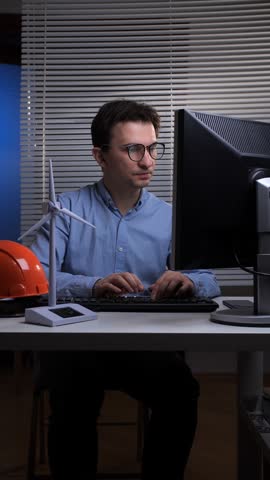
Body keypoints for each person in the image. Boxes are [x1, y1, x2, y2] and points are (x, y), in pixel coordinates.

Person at [31, 99, 221, 480]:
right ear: (99, 156)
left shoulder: (169, 216)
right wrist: (94, 284)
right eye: (134, 149)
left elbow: (209, 278)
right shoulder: (65, 209)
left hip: (142, 345)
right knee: (71, 401)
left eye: (153, 148)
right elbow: (37, 278)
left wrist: (188, 281)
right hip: (77, 343)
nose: (148, 161)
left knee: (182, 391)